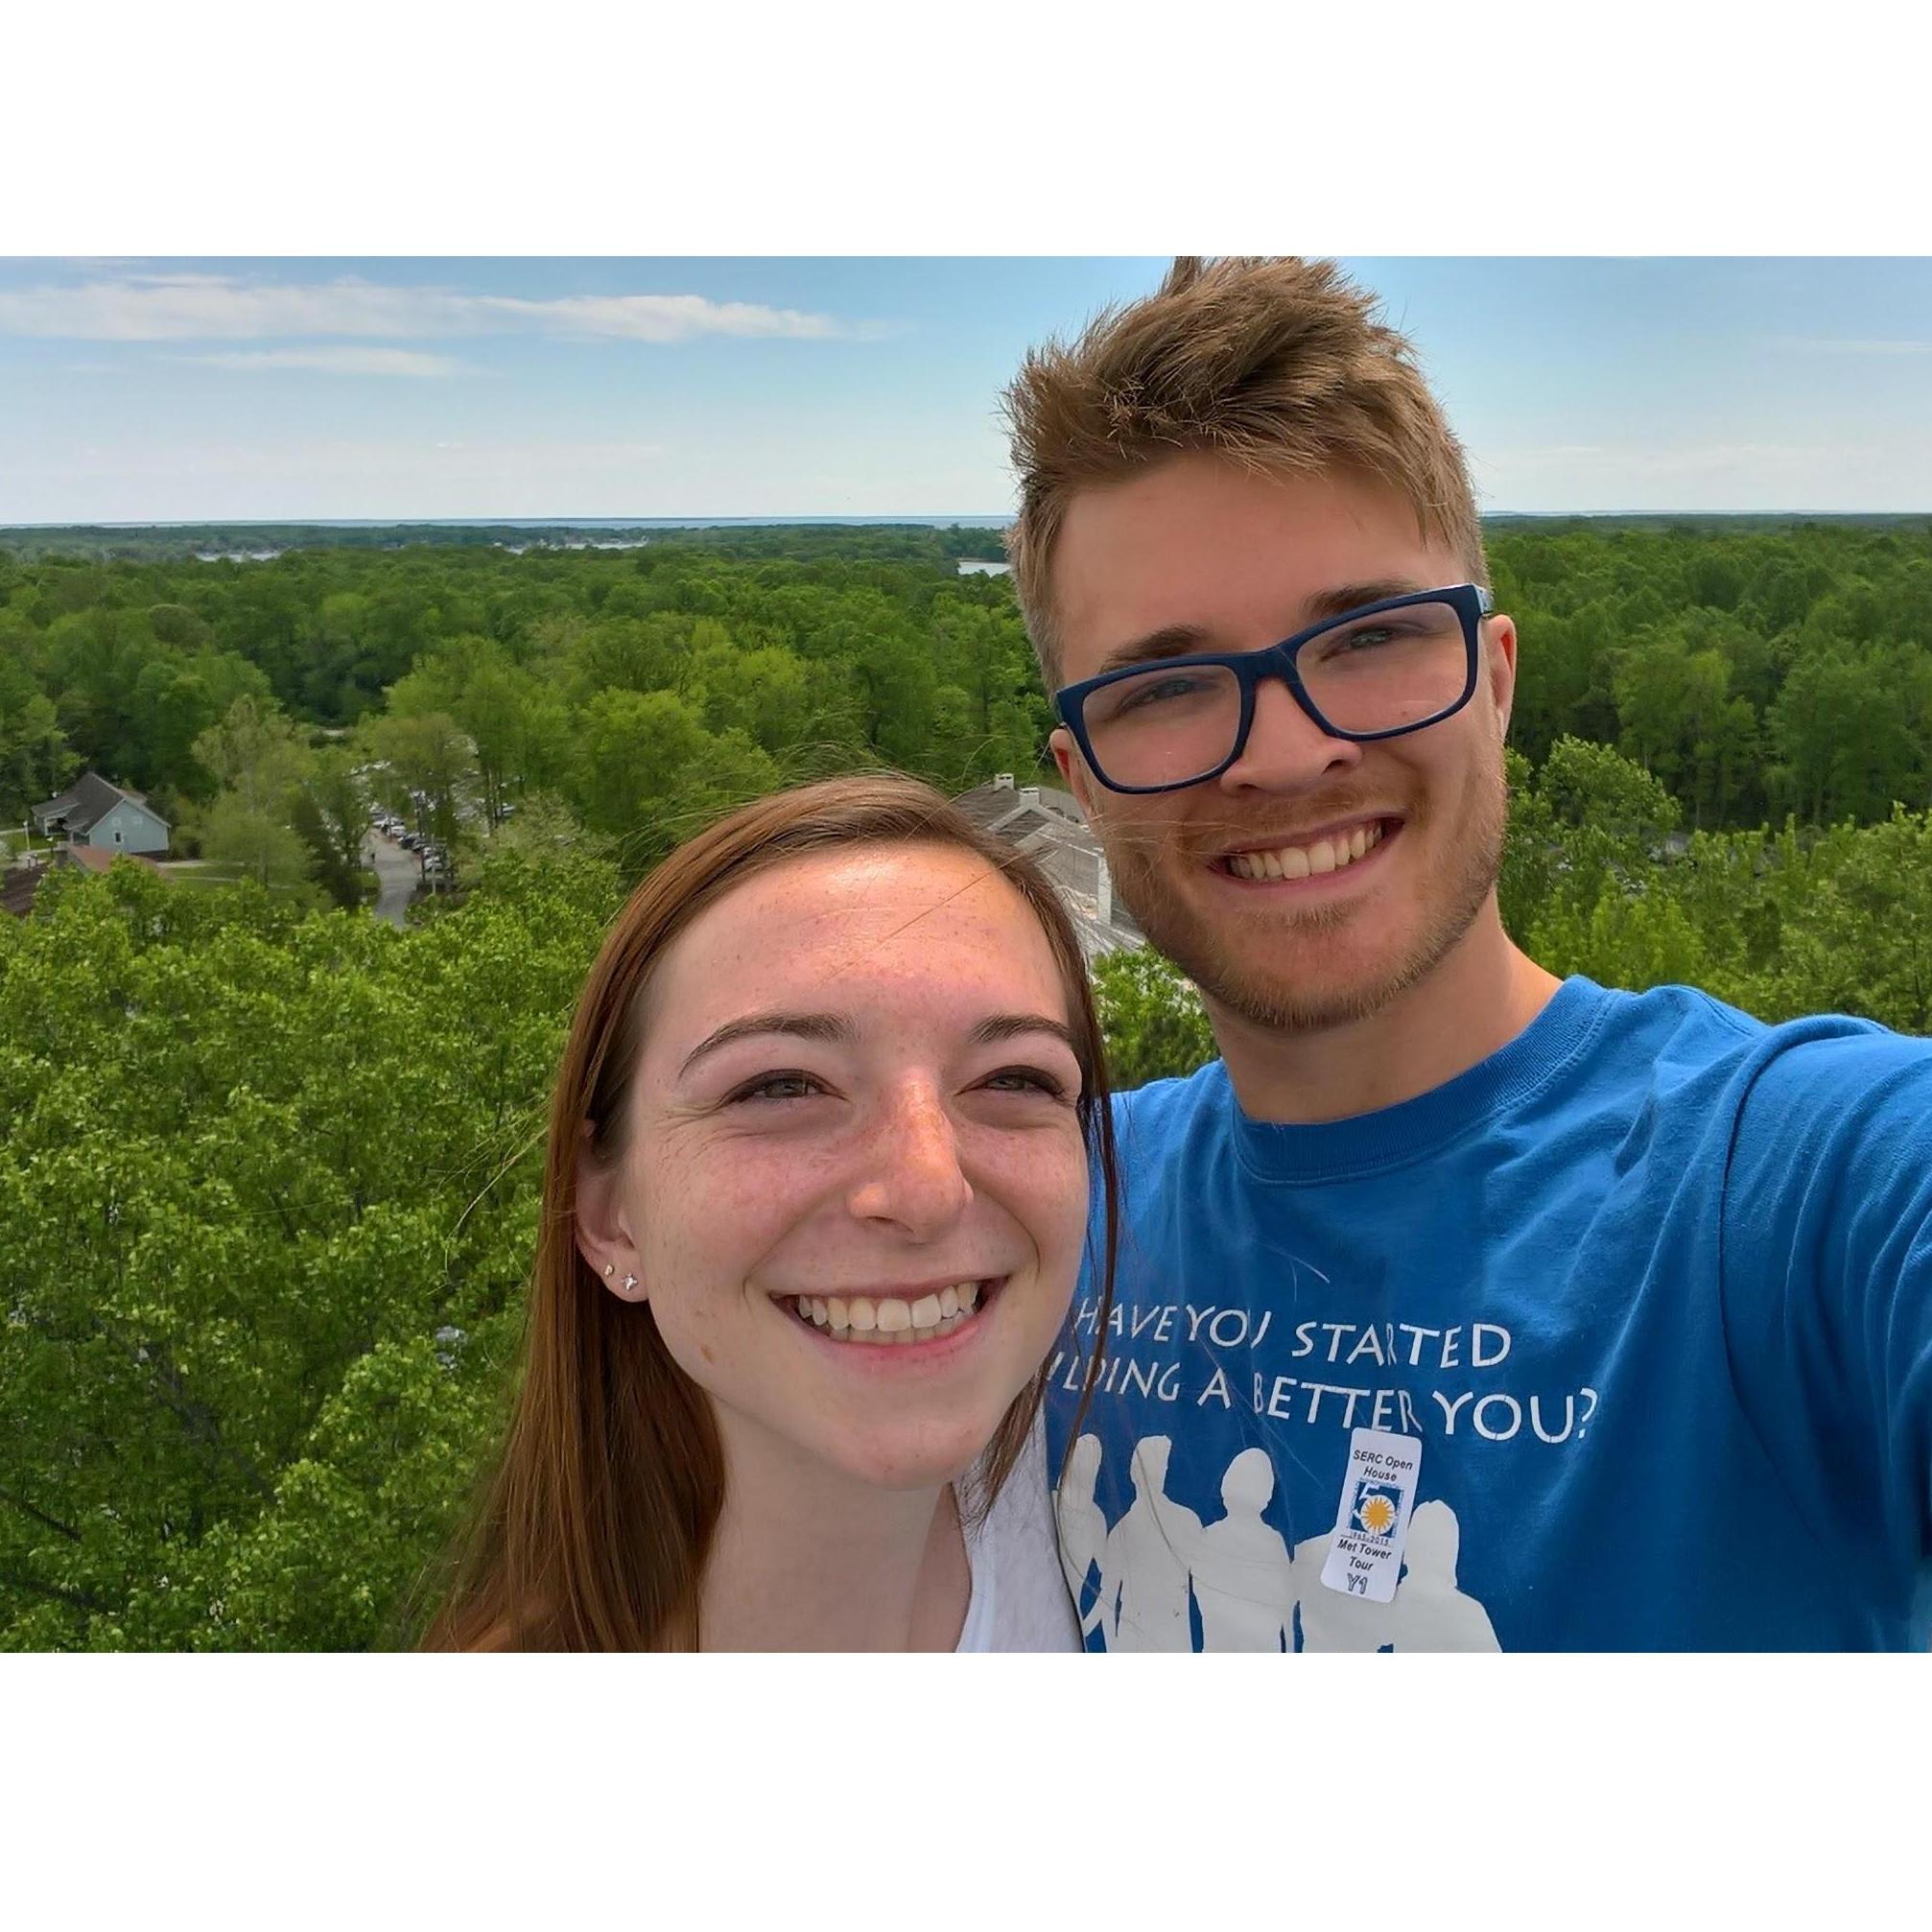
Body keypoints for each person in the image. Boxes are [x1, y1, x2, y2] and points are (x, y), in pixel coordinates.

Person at [1003, 256, 1932, 1650]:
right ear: (1082, 780)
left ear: (1493, 677)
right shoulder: (1037, 1213)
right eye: (1170, 686)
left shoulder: (1791, 1183)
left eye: (1366, 636)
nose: (1289, 751)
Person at [423, 774, 1118, 1650]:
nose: (927, 1188)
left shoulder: (1114, 1523)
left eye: (1015, 1078)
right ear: (610, 1215)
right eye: (780, 1085)